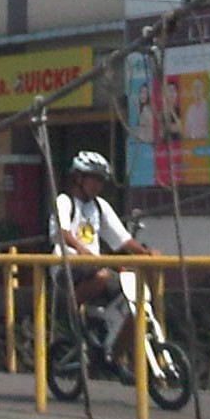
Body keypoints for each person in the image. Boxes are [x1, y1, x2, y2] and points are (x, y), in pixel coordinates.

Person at [48, 150, 156, 375]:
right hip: (68, 266)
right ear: (79, 178)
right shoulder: (65, 201)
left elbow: (122, 239)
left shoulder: (100, 206)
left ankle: (113, 355)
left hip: (94, 266)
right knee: (104, 275)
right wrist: (81, 249)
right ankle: (71, 308)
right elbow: (61, 232)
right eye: (93, 179)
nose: (98, 185)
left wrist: (146, 253)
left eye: (101, 180)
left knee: (135, 304)